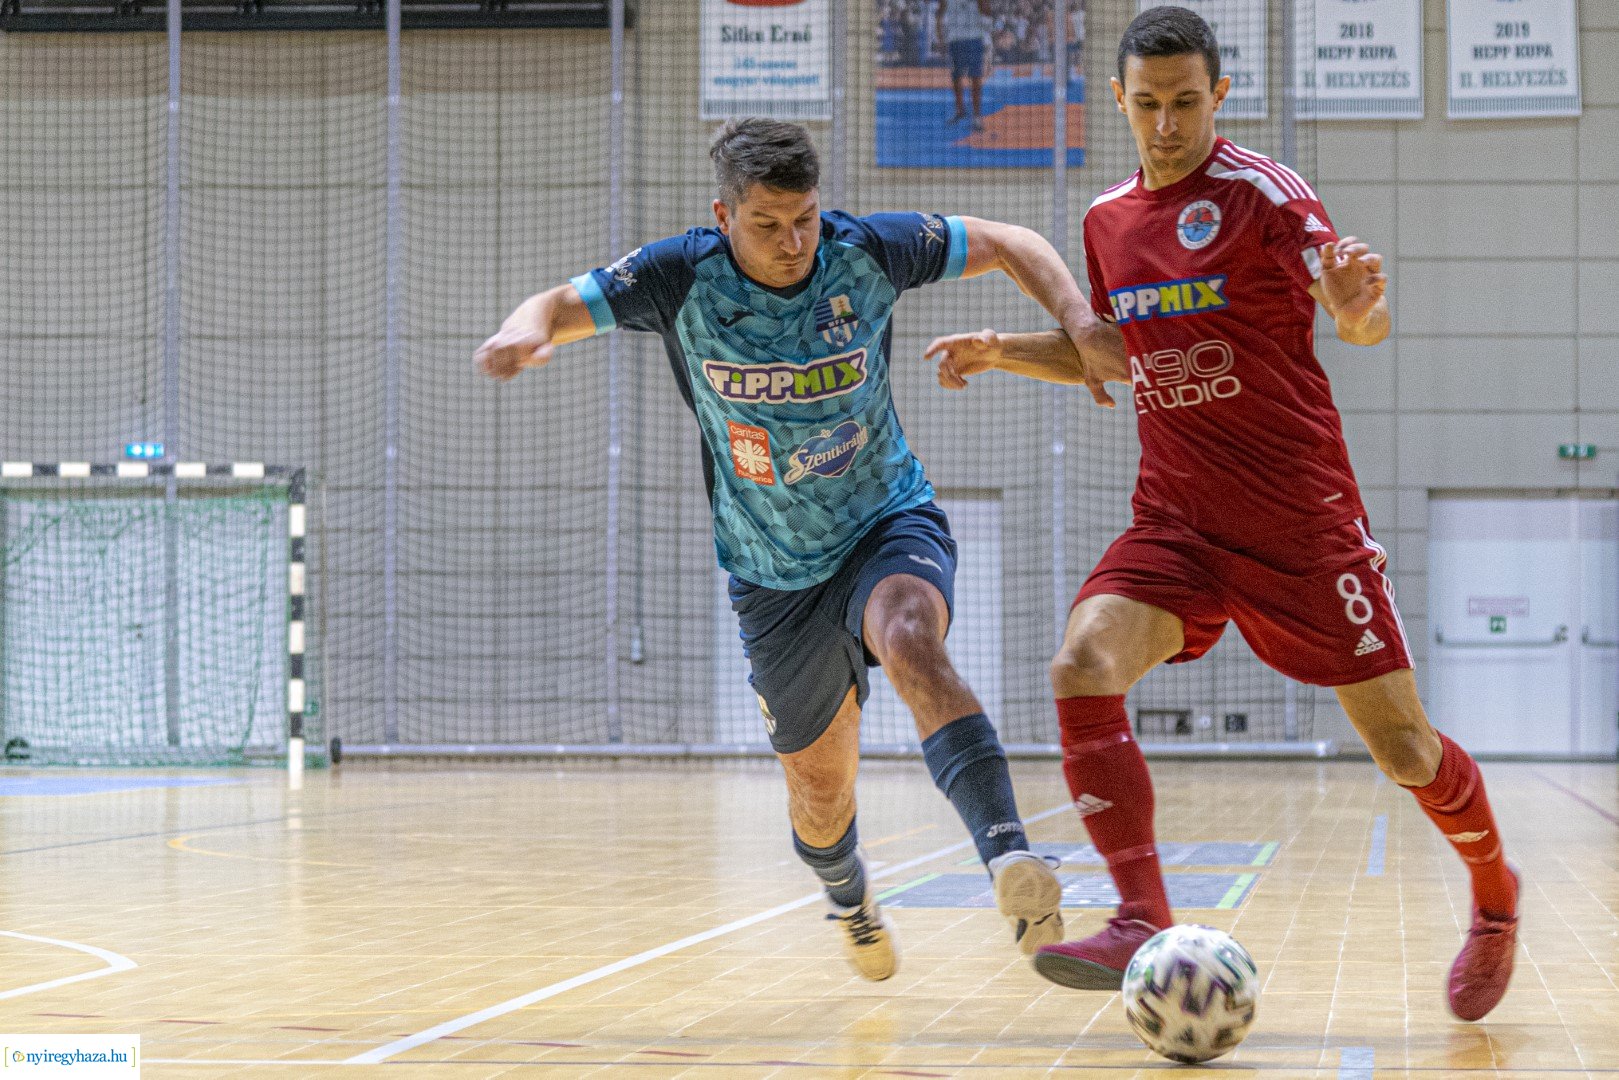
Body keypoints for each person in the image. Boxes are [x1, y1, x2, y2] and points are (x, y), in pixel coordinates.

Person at [924, 6, 1519, 1022]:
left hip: (1299, 522)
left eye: (1185, 103)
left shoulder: (1259, 194)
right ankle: (1138, 920)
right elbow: (1118, 354)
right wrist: (1000, 350)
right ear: (1117, 99)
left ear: (1218, 97)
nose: (1164, 124)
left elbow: (1359, 323)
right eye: (1146, 104)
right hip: (1176, 523)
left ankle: (1496, 901)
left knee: (1405, 752)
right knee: (1080, 665)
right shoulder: (1108, 219)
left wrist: (1354, 302)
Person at [475, 118, 1117, 981]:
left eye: (806, 219)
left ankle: (1009, 859)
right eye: (768, 225)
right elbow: (557, 304)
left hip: (884, 518)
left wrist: (1078, 321)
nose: (793, 243)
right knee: (820, 797)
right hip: (771, 573)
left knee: (909, 635)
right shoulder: (677, 276)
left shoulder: (868, 253)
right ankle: (850, 899)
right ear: (724, 215)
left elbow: (1008, 241)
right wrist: (522, 328)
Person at [937, 0, 992, 131]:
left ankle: (977, 116)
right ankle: (960, 110)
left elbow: (987, 10)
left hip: (973, 37)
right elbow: (940, 13)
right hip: (955, 39)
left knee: (975, 76)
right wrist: (940, 37)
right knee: (956, 76)